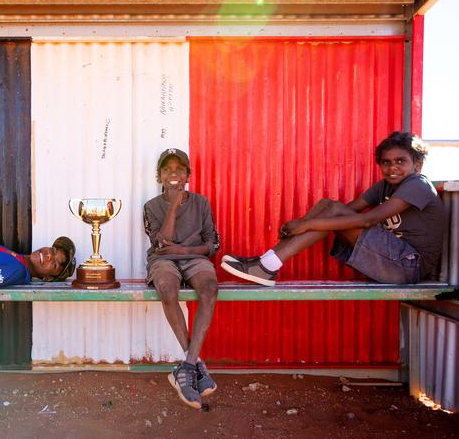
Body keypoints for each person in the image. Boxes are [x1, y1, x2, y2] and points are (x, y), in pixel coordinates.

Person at [221, 132, 446, 286]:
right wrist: (305, 224)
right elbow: (342, 210)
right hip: (393, 258)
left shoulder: (418, 184)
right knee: (328, 205)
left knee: (332, 212)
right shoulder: (385, 186)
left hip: (409, 266)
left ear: (417, 164)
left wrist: (305, 224)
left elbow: (368, 220)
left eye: (400, 161)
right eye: (386, 162)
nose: (392, 167)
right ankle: (269, 261)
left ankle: (268, 264)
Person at [144, 148, 220, 409]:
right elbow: (161, 243)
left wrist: (184, 250)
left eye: (179, 169)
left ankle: (187, 366)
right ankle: (196, 365)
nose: (173, 173)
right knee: (167, 287)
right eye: (167, 169)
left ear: (189, 174)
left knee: (210, 289)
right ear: (159, 176)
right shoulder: (152, 207)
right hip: (163, 260)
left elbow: (212, 244)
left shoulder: (201, 203)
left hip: (194, 257)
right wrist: (174, 205)